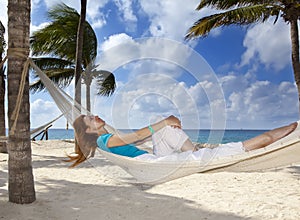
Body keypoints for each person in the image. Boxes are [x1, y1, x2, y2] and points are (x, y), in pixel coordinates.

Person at [66, 114, 297, 167]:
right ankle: (282, 133)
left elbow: (137, 138)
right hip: (154, 164)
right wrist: (165, 120)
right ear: (87, 129)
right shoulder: (105, 140)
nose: (94, 115)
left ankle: (193, 149)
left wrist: (164, 124)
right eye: (90, 117)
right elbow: (137, 136)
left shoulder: (105, 138)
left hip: (155, 159)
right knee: (262, 139)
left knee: (162, 130)